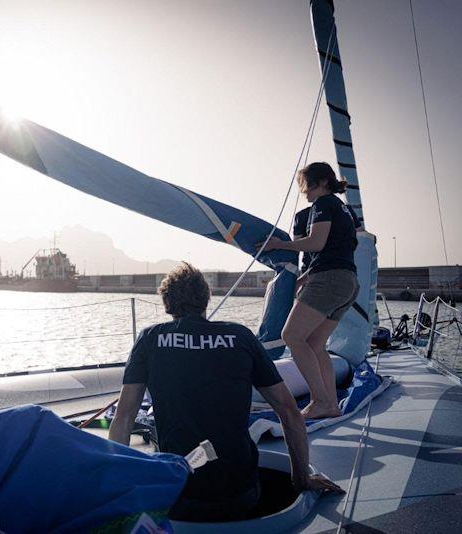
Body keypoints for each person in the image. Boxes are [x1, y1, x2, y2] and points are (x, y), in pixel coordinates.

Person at [108, 263, 343, 522]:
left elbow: (125, 417)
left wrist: (117, 488)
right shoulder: (240, 336)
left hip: (180, 495)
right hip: (239, 493)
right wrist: (301, 479)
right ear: (206, 299)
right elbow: (289, 412)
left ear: (166, 303)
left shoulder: (150, 339)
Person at [261, 162, 360, 419]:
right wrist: (304, 278)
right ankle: (331, 405)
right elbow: (338, 248)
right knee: (315, 343)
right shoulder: (345, 209)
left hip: (329, 281)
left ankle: (321, 401)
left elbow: (316, 242)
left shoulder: (323, 204)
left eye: (306, 186)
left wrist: (278, 244)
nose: (304, 192)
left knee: (292, 336)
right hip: (347, 281)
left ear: (322, 183)